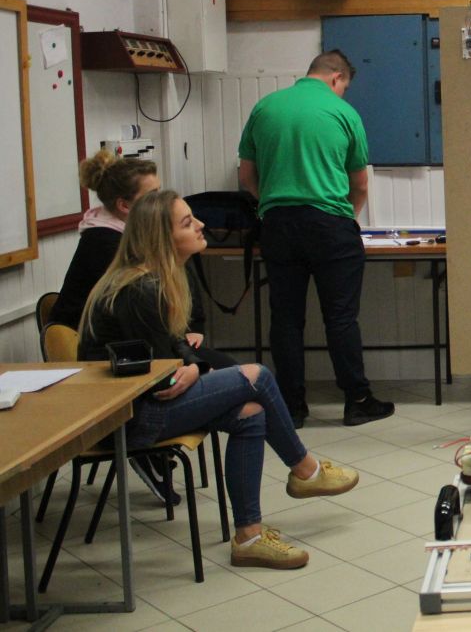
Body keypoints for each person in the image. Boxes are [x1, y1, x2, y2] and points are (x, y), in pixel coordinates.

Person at [79, 189, 360, 570]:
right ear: (162, 238)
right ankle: (305, 471)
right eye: (187, 223)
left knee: (250, 412)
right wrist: (194, 369)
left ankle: (249, 538)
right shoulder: (140, 289)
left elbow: (176, 346)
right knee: (258, 376)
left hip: (143, 405)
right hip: (128, 419)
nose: (200, 225)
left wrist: (194, 366)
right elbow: (161, 380)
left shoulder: (157, 277)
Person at [49, 150, 234, 503]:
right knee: (236, 378)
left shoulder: (142, 239)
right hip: (114, 366)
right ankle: (148, 447)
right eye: (152, 195)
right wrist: (187, 355)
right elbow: (146, 326)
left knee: (236, 379)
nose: (161, 202)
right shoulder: (109, 245)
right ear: (124, 205)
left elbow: (178, 299)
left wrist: (188, 336)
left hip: (143, 345)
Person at [237, 50, 393, 428]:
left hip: (278, 225)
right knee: (340, 318)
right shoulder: (343, 113)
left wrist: (272, 204)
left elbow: (246, 176)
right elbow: (359, 183)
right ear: (337, 78)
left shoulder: (265, 107)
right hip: (330, 226)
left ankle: (291, 407)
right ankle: (357, 400)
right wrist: (346, 217)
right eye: (344, 87)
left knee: (286, 319)